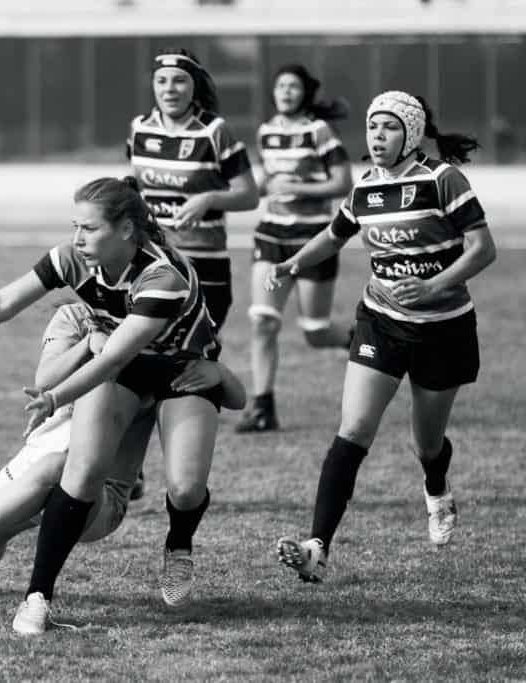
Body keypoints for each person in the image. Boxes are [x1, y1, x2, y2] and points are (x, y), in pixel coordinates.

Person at [0, 176, 231, 635]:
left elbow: (113, 357)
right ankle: (36, 598)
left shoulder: (162, 277)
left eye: (89, 229)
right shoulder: (71, 259)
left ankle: (179, 545)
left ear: (126, 230)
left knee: (185, 489)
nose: (77, 239)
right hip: (122, 368)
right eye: (74, 226)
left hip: (180, 371)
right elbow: (4, 301)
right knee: (75, 472)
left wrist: (55, 397)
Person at [270, 91, 496, 582]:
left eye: (389, 128)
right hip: (381, 320)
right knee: (352, 430)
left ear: (411, 133)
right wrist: (292, 263)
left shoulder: (442, 180)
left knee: (426, 443)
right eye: (373, 127)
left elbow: (483, 248)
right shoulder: (366, 187)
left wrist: (434, 284)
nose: (377, 137)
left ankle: (436, 488)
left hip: (444, 327)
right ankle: (317, 548)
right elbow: (334, 235)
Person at [0, 303, 246, 595]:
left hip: (98, 494)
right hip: (35, 457)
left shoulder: (158, 328)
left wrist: (217, 370)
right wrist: (87, 344)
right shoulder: (74, 315)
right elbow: (44, 380)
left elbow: (233, 398)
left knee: (57, 467)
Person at [237, 64, 355, 433]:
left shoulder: (318, 131)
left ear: (304, 92)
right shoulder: (266, 132)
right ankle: (262, 409)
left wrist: (298, 188)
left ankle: (364, 342)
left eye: (293, 86)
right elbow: (265, 182)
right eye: (280, 86)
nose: (286, 92)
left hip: (313, 238)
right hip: (271, 234)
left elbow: (343, 183)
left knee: (315, 332)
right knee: (262, 321)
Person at [128, 49, 260, 331]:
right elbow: (136, 185)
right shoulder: (139, 129)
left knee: (195, 356)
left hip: (204, 262)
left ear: (194, 85)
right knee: (145, 355)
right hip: (153, 257)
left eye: (179, 80)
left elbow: (249, 196)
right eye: (161, 81)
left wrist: (209, 198)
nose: (169, 89)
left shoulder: (214, 131)